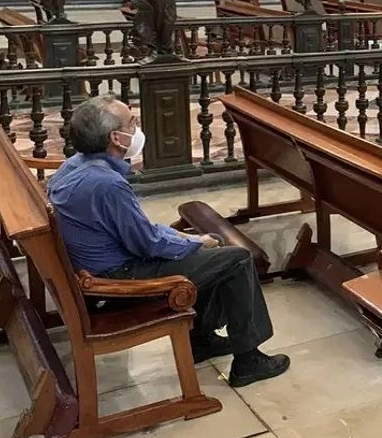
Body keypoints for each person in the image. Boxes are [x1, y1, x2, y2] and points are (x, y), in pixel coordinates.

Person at [47, 96, 290, 388]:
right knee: (236, 258)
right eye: (131, 123)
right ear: (116, 138)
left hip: (97, 267)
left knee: (213, 247)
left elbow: (137, 229)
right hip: (117, 279)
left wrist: (186, 238)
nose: (136, 128)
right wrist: (193, 243)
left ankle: (201, 339)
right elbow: (146, 244)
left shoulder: (73, 166)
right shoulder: (107, 184)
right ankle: (249, 360)